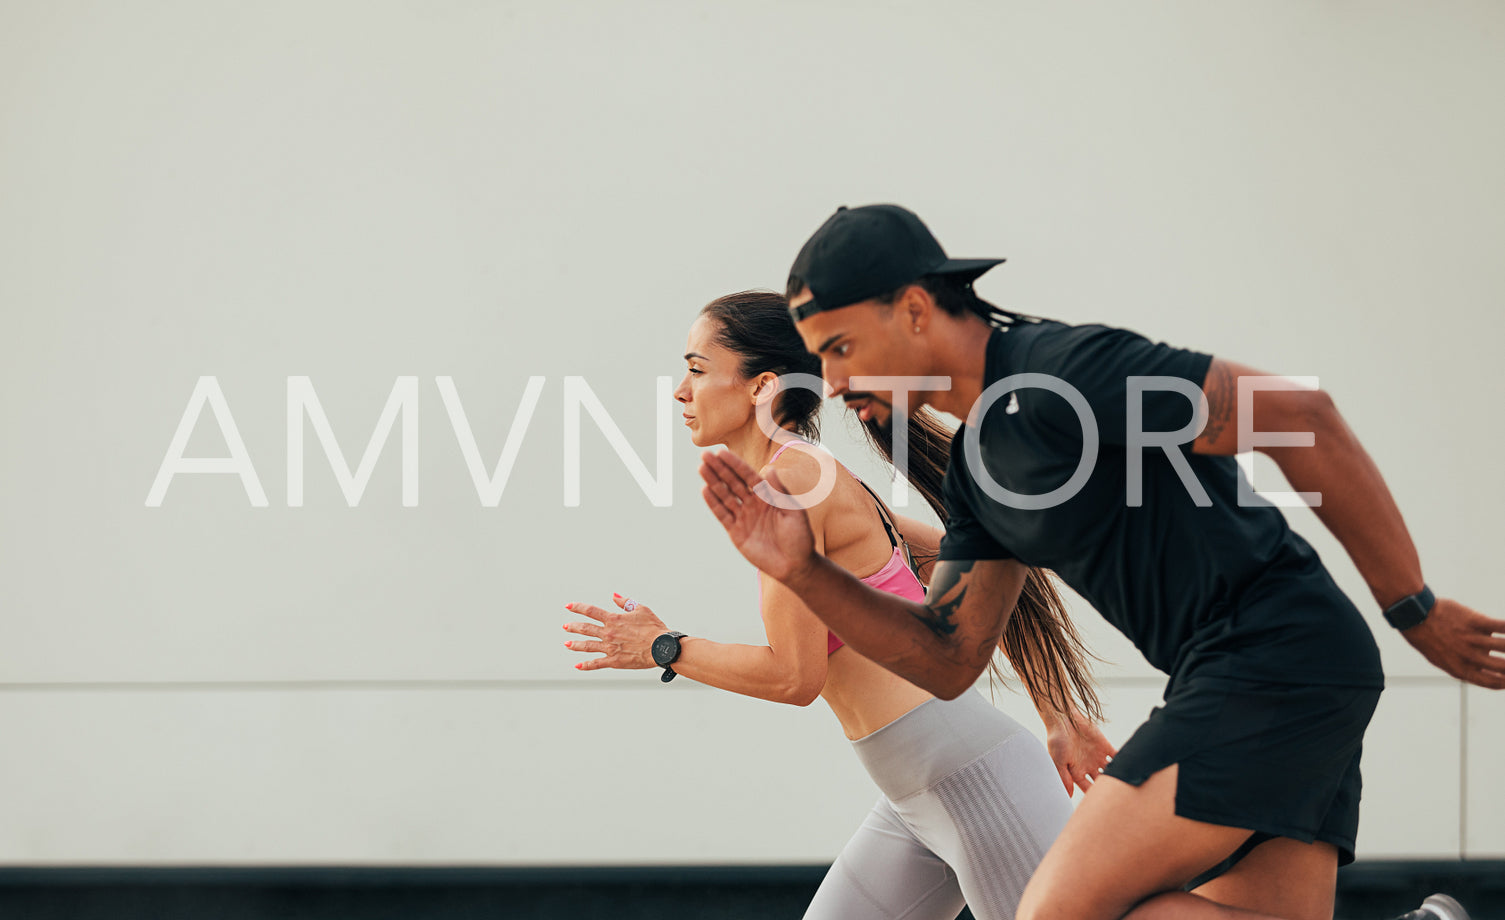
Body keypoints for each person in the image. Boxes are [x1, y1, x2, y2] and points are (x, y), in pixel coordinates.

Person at [697, 205, 1505, 920]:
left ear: (913, 310)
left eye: (840, 348)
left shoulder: (1061, 375)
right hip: (1256, 672)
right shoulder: (981, 464)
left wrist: (1415, 608)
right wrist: (808, 574)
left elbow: (1299, 417)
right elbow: (946, 656)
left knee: (1056, 913)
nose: (831, 383)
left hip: (1272, 662)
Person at [563, 290, 1115, 920]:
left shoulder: (789, 486)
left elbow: (795, 677)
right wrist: (1058, 715)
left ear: (760, 387)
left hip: (972, 783)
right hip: (917, 797)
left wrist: (664, 647)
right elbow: (993, 563)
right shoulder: (812, 474)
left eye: (695, 369)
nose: (679, 392)